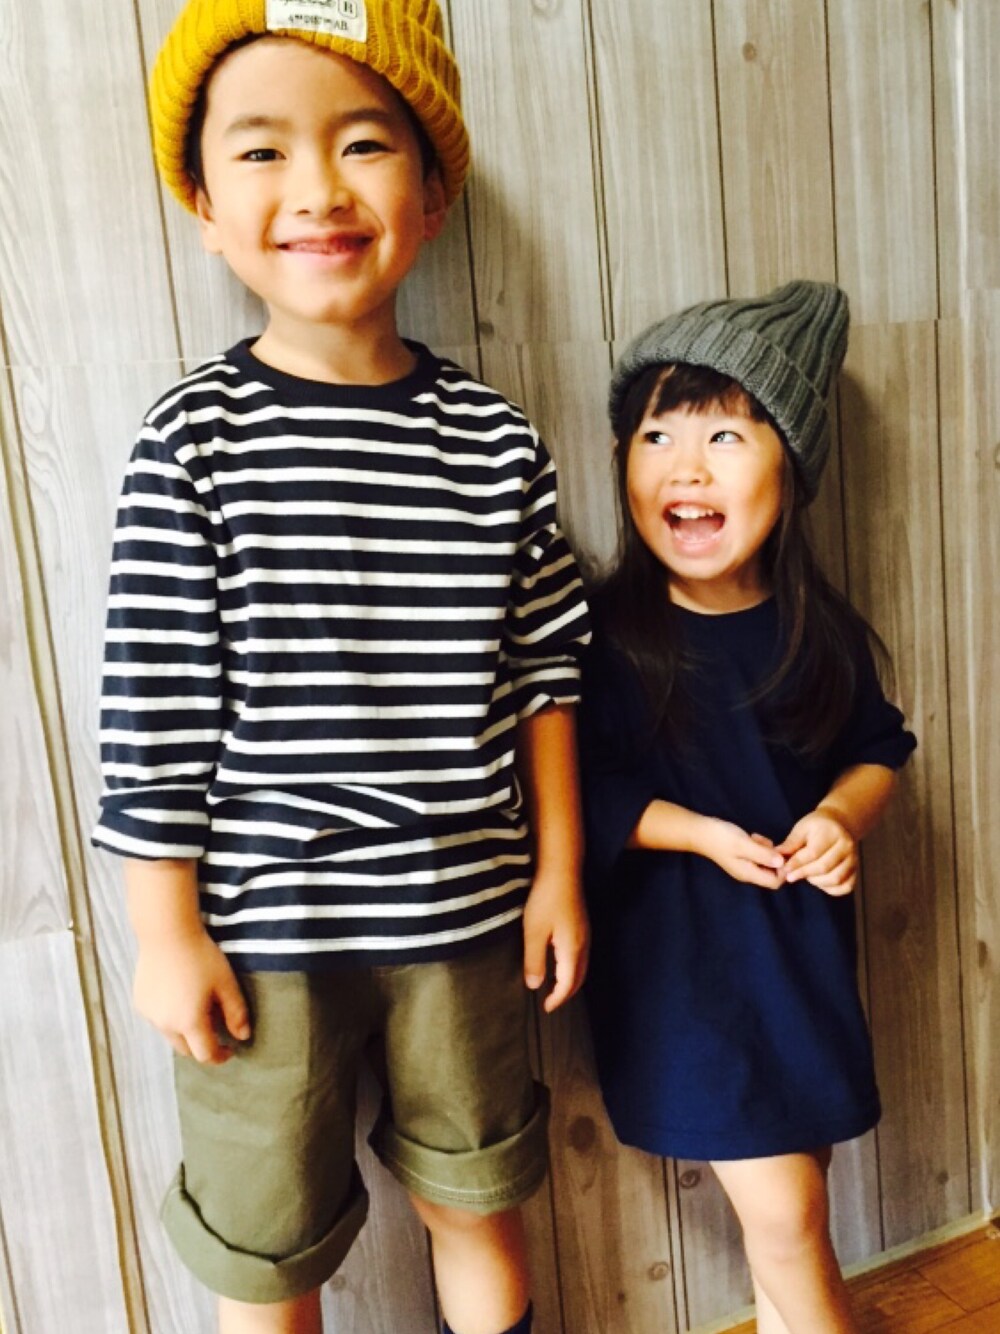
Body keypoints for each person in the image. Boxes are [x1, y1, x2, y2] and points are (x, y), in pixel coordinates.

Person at [92, 4, 590, 1332]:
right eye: (262, 151)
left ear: (433, 195)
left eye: (365, 143)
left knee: (476, 1201)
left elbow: (548, 677)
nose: (316, 188)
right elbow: (152, 702)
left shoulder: (495, 443)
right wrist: (165, 929)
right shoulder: (192, 441)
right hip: (264, 937)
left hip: (467, 913)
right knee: (268, 1246)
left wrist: (557, 871)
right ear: (204, 207)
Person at [578, 281, 916, 1334]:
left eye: (725, 436)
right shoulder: (606, 636)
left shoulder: (818, 631)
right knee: (788, 1214)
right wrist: (697, 833)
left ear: (791, 471)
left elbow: (878, 750)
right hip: (686, 985)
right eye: (657, 436)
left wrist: (840, 818)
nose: (686, 466)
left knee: (800, 1185)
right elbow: (577, 791)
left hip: (797, 968)